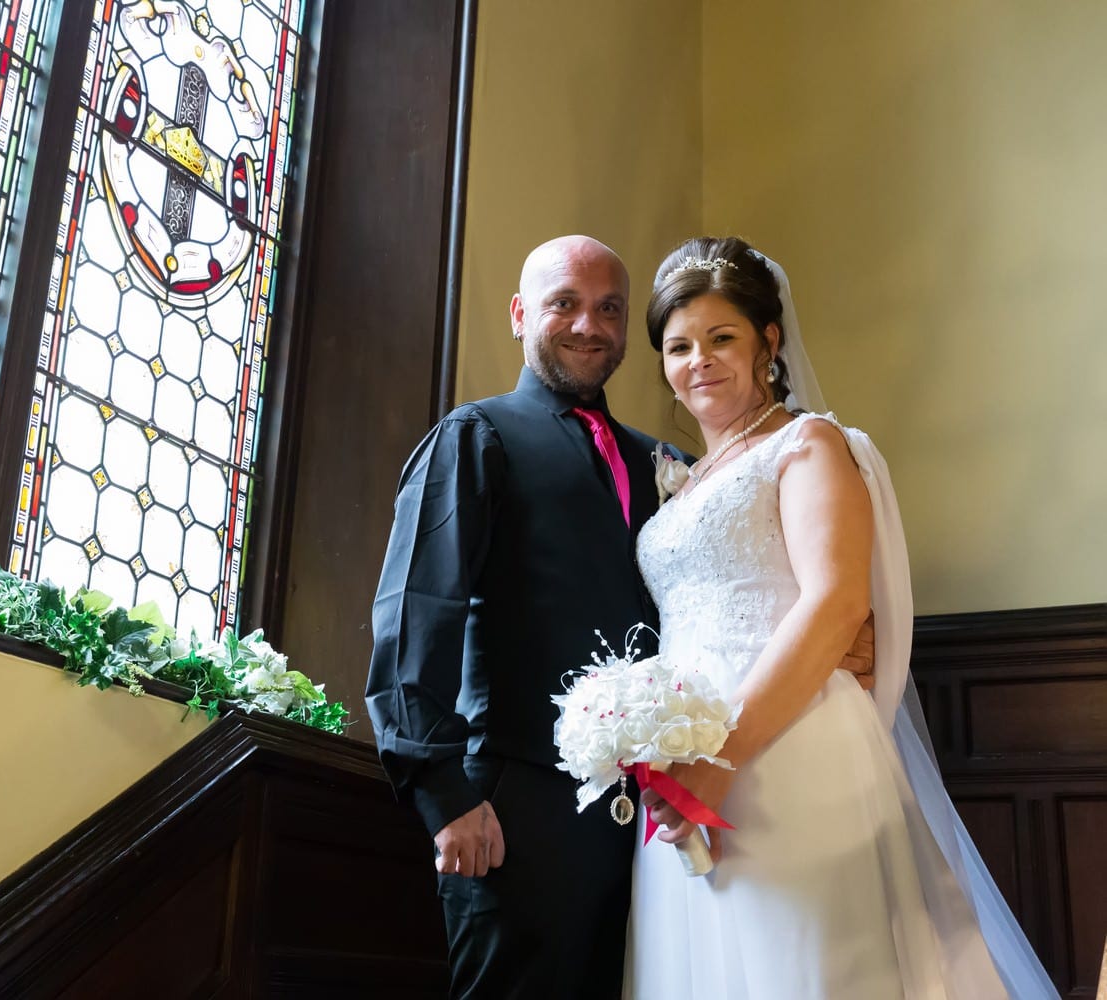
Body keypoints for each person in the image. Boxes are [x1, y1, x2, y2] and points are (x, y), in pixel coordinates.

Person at [364, 235, 872, 998]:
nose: (587, 325)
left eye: (608, 310)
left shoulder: (666, 463)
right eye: (563, 303)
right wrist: (446, 796)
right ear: (519, 314)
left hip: (650, 814)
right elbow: (414, 616)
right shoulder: (477, 436)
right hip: (515, 806)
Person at [624, 237, 1056, 999]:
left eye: (721, 338)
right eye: (678, 345)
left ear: (770, 340)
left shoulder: (808, 444)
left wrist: (717, 763)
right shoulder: (685, 482)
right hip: (684, 765)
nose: (698, 362)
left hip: (785, 747)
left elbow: (836, 605)